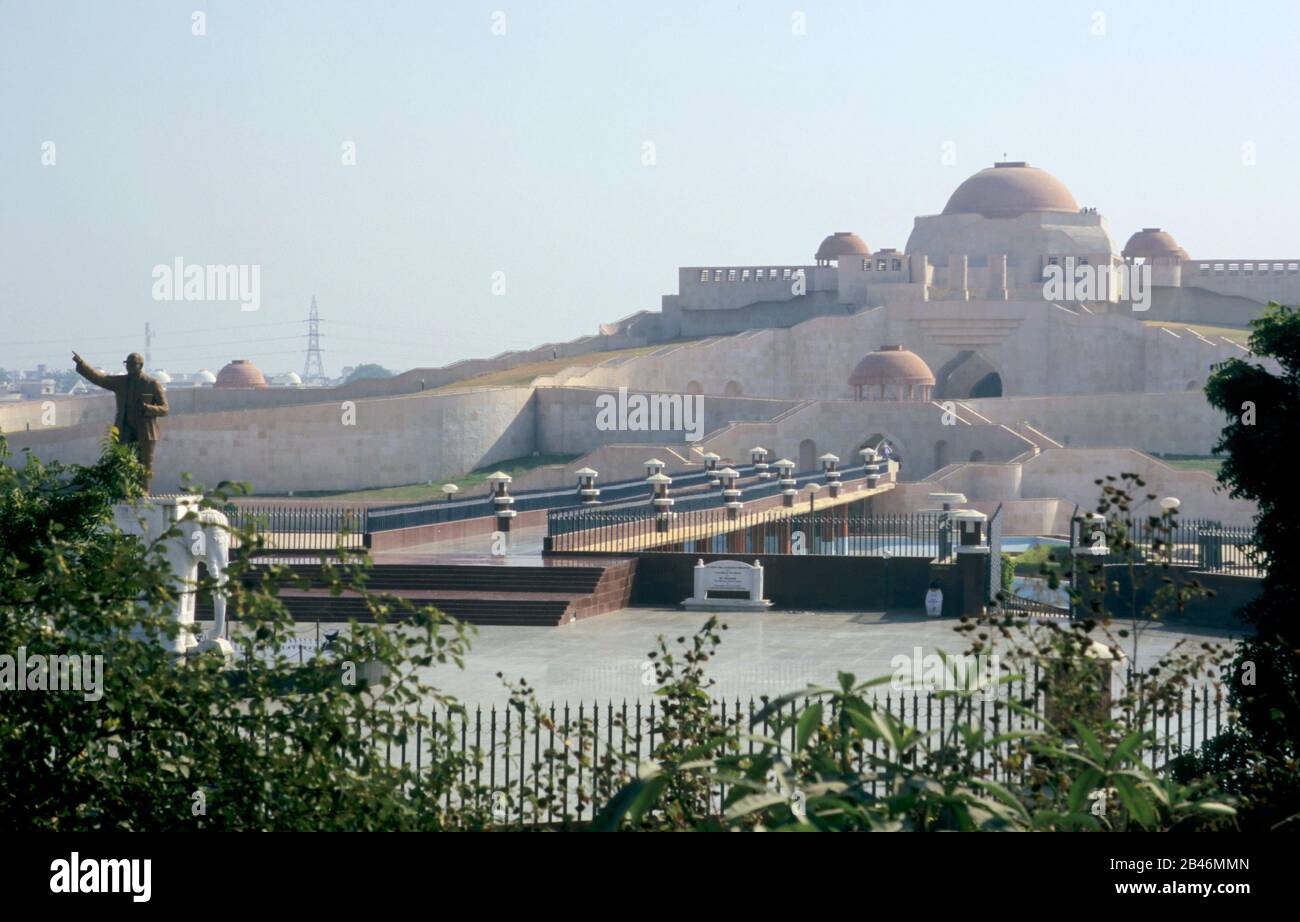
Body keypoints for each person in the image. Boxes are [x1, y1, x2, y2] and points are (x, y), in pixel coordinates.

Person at [71, 350, 168, 493]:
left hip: (145, 431)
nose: (128, 367)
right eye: (127, 364)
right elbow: (100, 378)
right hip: (124, 429)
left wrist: (148, 408)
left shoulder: (152, 384)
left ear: (140, 365)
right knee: (121, 463)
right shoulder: (120, 382)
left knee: (145, 465)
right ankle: (125, 494)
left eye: (132, 364)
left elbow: (165, 409)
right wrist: (82, 365)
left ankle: (143, 497)